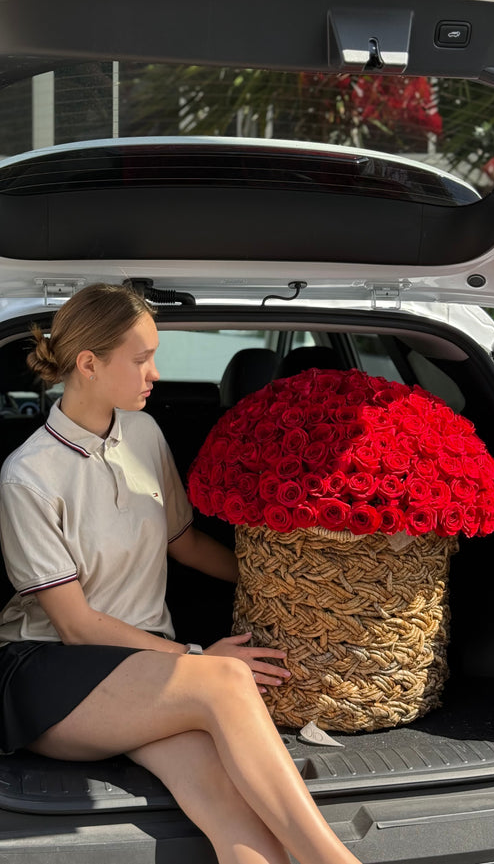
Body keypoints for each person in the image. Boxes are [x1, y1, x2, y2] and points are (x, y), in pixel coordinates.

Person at [0, 283, 362, 864]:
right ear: (89, 364)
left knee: (239, 821)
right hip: (50, 675)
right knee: (226, 681)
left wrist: (286, 580)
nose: (156, 373)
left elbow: (185, 542)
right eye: (141, 359)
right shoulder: (28, 476)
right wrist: (197, 658)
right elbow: (77, 627)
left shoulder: (143, 433)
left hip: (146, 668)